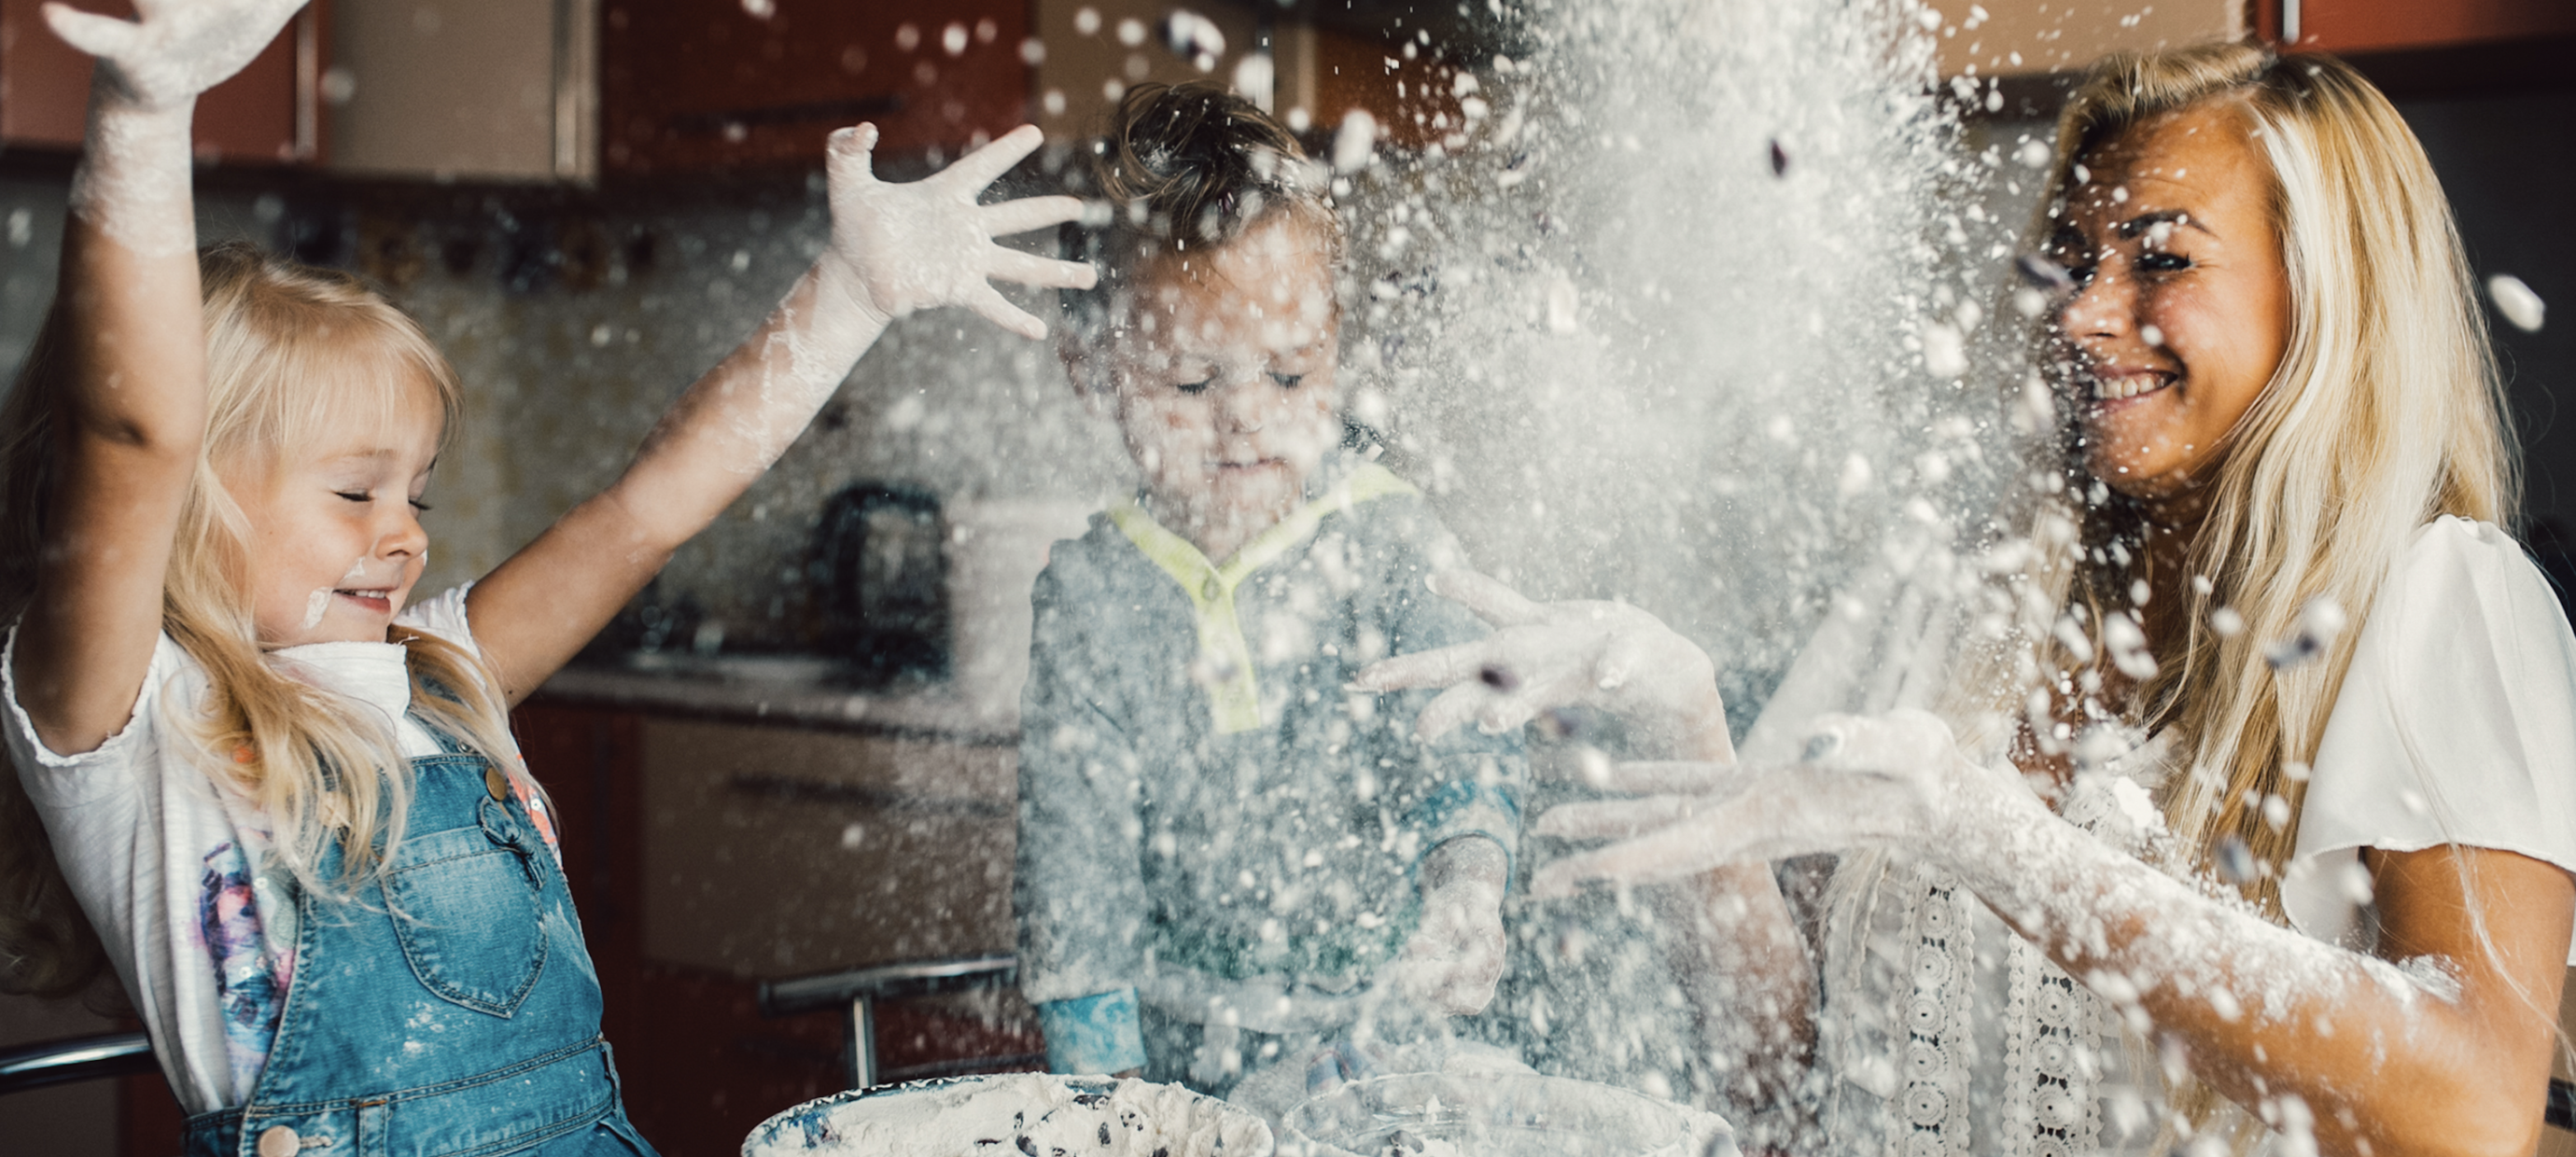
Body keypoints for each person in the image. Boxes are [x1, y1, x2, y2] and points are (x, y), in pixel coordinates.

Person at [1356, 41, 2575, 1157]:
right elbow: (1785, 1087)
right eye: (2073, 259)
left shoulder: (2435, 605)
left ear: (2328, 294)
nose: (2087, 313)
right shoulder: (1953, 584)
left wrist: (1982, 832)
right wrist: (1681, 716)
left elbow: (2472, 1109)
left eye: (2163, 258)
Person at [0, 1, 1095, 1152]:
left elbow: (648, 509)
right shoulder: (128, 722)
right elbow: (134, 434)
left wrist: (849, 302)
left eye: (415, 495)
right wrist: (146, 112)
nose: (406, 535)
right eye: (353, 492)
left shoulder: (441, 674)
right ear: (180, 505)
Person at [1012, 81, 1526, 1104]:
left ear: (1336, 345)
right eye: (1193, 388)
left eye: (1290, 377)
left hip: (1393, 1047)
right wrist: (1110, 1106)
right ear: (1094, 366)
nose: (1244, 421)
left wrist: (1468, 889)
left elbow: (1465, 745)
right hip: (1180, 1070)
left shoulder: (1391, 539)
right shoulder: (1092, 595)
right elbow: (1077, 881)